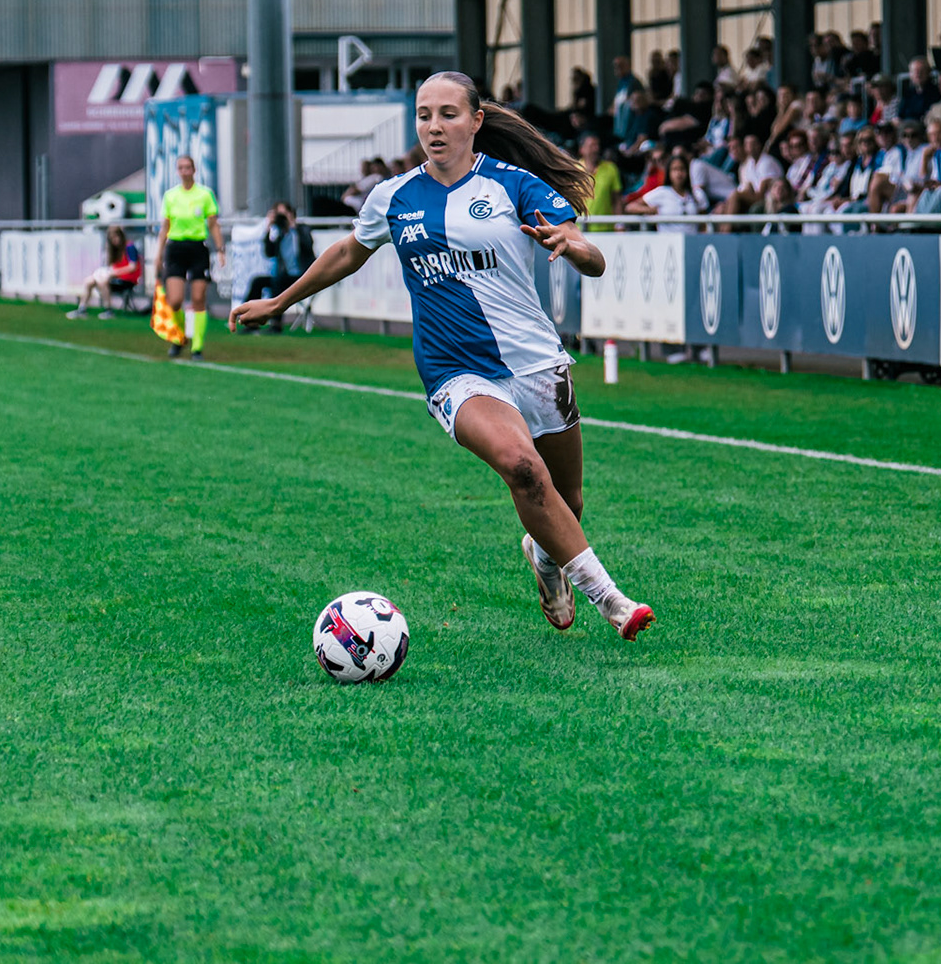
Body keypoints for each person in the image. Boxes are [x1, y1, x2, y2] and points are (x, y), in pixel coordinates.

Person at [229, 71, 655, 642]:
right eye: (424, 114)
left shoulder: (514, 185)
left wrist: (573, 246)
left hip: (535, 364)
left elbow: (591, 255)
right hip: (455, 370)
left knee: (566, 498)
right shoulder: (394, 195)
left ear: (476, 122)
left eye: (448, 114)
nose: (434, 125)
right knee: (522, 468)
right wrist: (280, 300)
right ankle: (614, 602)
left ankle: (547, 557)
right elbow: (347, 253)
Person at [157, 155, 226, 358]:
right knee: (175, 300)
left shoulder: (205, 194)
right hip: (176, 248)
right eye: (181, 167)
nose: (185, 171)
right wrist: (159, 253)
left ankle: (197, 346)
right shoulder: (171, 196)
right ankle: (180, 337)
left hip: (197, 248)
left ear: (194, 170)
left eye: (188, 167)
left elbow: (213, 224)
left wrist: (220, 249)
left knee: (198, 298)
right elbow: (165, 227)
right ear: (177, 171)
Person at [242, 202, 314, 332]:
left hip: (302, 276)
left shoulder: (302, 230)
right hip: (283, 276)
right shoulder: (279, 234)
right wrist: (268, 229)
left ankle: (276, 324)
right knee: (257, 281)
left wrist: (293, 227)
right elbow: (268, 253)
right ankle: (250, 322)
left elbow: (308, 247)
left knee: (278, 280)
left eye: (284, 215)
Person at [67, 225, 143, 319]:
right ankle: (82, 309)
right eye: (112, 238)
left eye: (116, 237)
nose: (114, 240)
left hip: (127, 279)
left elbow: (132, 267)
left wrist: (114, 272)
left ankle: (109, 310)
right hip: (115, 277)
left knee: (102, 281)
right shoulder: (113, 250)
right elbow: (111, 267)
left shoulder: (129, 247)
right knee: (89, 281)